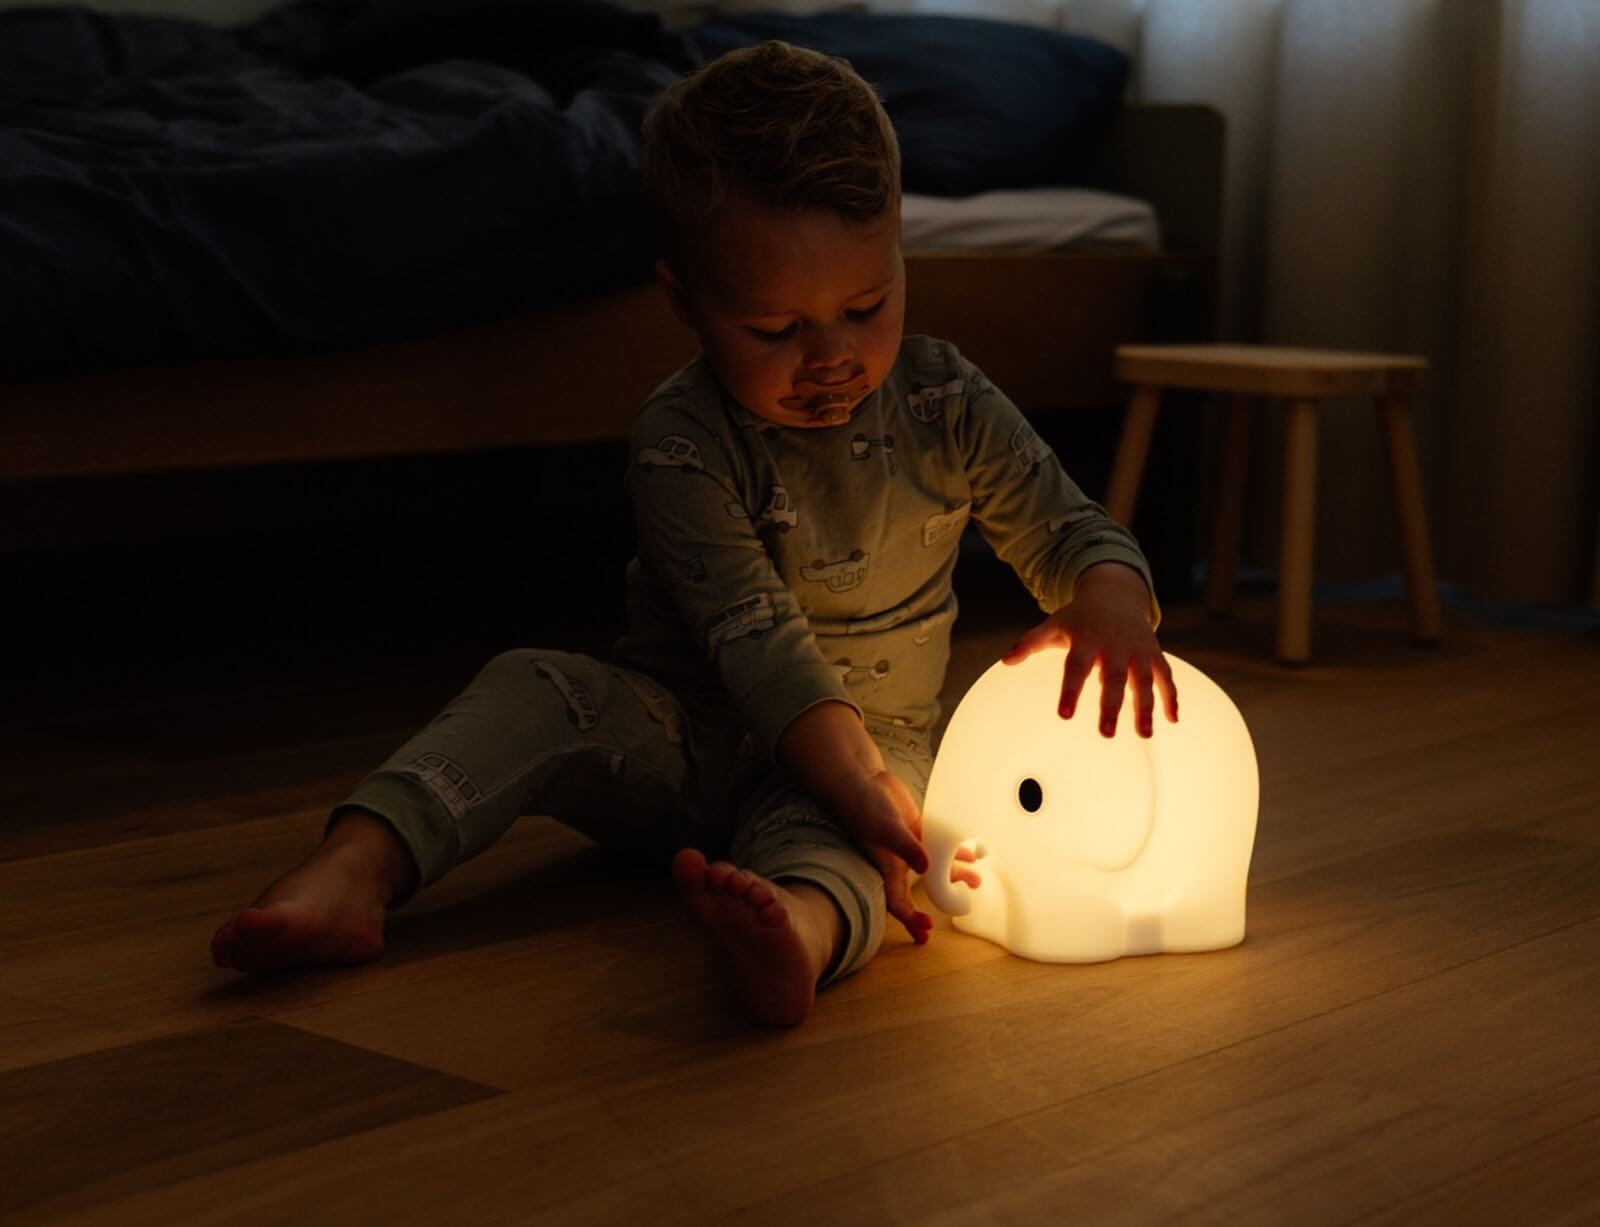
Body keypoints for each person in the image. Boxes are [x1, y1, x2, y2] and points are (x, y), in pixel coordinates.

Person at [210, 40, 1178, 1027]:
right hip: (676, 741)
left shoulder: (947, 402)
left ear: (899, 257)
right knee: (533, 687)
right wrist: (853, 782)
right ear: (686, 301)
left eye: (865, 307)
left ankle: (797, 931)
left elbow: (1067, 526)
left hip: (874, 748)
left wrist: (1109, 594)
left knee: (862, 838)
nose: (830, 358)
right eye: (775, 330)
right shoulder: (682, 438)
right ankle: (356, 867)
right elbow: (753, 638)